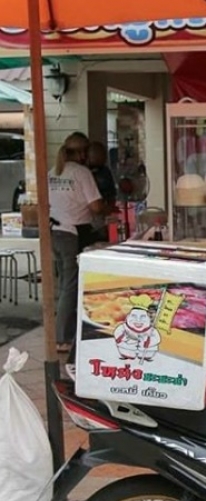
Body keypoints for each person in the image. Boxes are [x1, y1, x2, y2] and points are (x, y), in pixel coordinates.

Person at [50, 132, 103, 354]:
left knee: (64, 284)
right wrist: (108, 208)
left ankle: (65, 332)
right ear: (82, 152)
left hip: (54, 232)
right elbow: (96, 207)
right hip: (73, 233)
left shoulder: (53, 172)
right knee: (70, 286)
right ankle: (62, 337)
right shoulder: (81, 173)